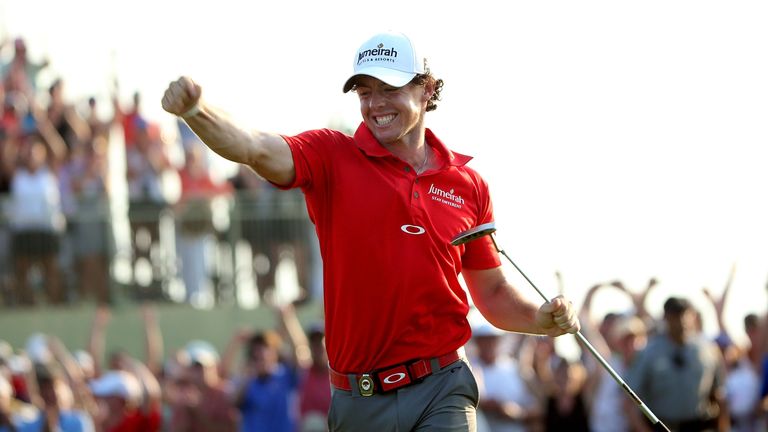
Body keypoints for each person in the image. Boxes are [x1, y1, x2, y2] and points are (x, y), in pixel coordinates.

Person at [162, 30, 580, 431]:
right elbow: (254, 147)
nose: (375, 103)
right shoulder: (330, 155)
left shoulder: (468, 185)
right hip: (357, 401)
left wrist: (540, 319)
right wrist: (197, 113)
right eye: (365, 92)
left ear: (427, 89)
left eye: (389, 89)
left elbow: (490, 293)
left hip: (443, 385)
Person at [626, 296, 728, 432]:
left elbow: (719, 395)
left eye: (685, 315)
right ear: (665, 317)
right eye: (674, 316)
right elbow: (629, 400)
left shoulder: (708, 350)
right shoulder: (648, 353)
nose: (681, 321)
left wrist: (723, 427)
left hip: (699, 425)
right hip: (663, 426)